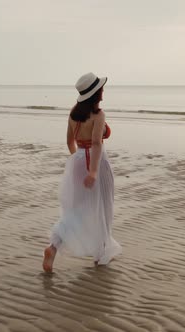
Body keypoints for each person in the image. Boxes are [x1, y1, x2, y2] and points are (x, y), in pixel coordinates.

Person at [42, 72, 122, 273]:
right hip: (96, 163)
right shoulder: (98, 115)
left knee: (77, 211)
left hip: (77, 160)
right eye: (101, 89)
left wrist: (77, 161)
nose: (103, 91)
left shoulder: (73, 113)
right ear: (95, 93)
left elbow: (70, 142)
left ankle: (53, 248)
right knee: (103, 207)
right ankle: (101, 253)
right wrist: (93, 171)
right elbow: (96, 143)